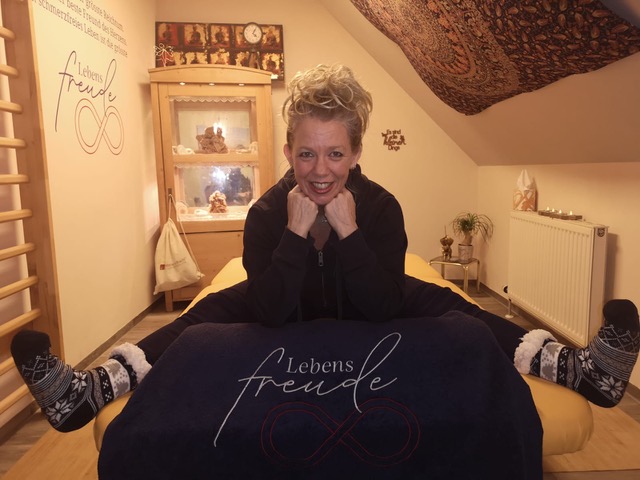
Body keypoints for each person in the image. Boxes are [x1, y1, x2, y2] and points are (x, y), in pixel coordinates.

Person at [11, 64, 640, 433]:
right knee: (200, 318)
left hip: (375, 298)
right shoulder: (265, 213)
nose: (320, 171)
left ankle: (581, 370)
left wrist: (351, 234)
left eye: (336, 154)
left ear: (356, 153)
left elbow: (380, 308)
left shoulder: (381, 208)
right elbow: (271, 312)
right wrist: (292, 236)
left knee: (459, 310)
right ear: (288, 151)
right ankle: (86, 392)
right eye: (307, 153)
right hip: (280, 301)